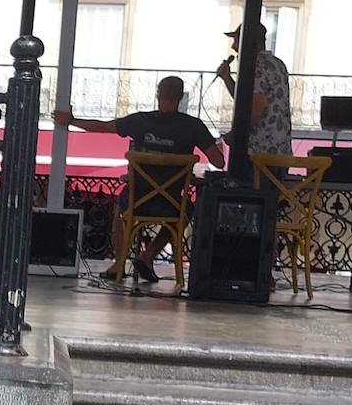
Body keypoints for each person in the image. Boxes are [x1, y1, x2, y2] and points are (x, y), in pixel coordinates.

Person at [54, 76, 225, 283]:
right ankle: (148, 255)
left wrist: (71, 121)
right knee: (187, 209)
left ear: (157, 94)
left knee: (122, 202)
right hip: (170, 204)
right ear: (180, 98)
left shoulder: (139, 121)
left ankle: (119, 263)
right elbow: (218, 162)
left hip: (136, 201)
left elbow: (103, 127)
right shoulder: (193, 127)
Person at [216, 22, 293, 158]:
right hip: (280, 152)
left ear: (247, 41)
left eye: (236, 41)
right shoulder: (278, 64)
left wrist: (236, 134)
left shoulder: (256, 66)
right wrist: (227, 78)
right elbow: (247, 100)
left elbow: (256, 111)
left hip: (259, 153)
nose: (233, 47)